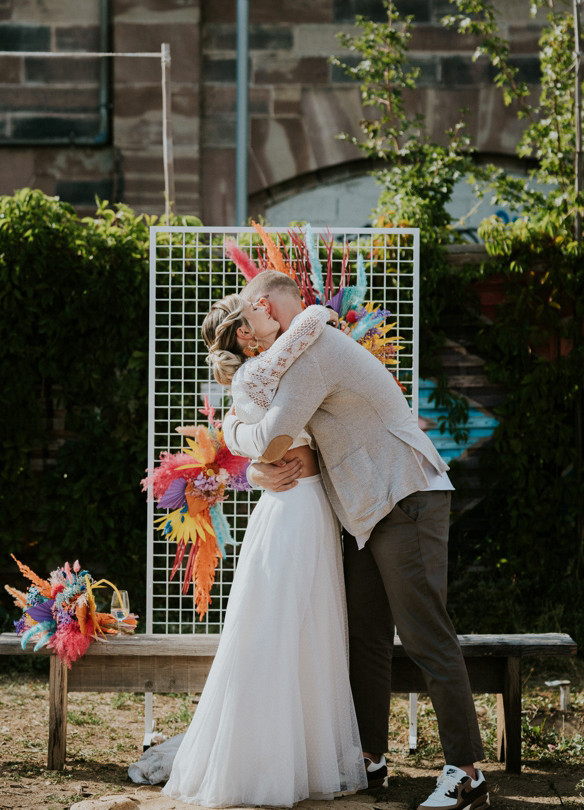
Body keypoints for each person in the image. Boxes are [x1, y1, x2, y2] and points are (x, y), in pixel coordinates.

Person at [223, 270, 488, 810]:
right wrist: (251, 461)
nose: (248, 318)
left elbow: (274, 436)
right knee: (364, 638)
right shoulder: (292, 358)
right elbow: (287, 441)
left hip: (405, 496)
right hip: (365, 509)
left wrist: (237, 440)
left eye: (253, 306)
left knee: (424, 634)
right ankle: (369, 760)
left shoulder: (315, 347)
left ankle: (468, 774)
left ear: (273, 307)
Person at [158, 294, 368, 806]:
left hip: (304, 504)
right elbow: (307, 330)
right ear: (246, 336)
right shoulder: (263, 371)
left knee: (307, 629)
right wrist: (318, 313)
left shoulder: (262, 371)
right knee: (277, 627)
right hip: (295, 508)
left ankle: (298, 759)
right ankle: (263, 765)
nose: (264, 306)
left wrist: (247, 459)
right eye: (251, 308)